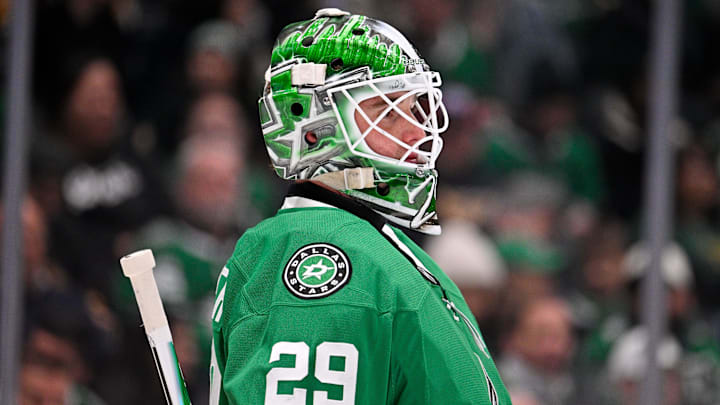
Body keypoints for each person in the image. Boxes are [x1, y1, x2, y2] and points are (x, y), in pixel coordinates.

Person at [209, 8, 511, 404]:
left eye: (417, 107)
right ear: (316, 128)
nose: (418, 131)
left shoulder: (368, 243)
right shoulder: (319, 258)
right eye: (388, 111)